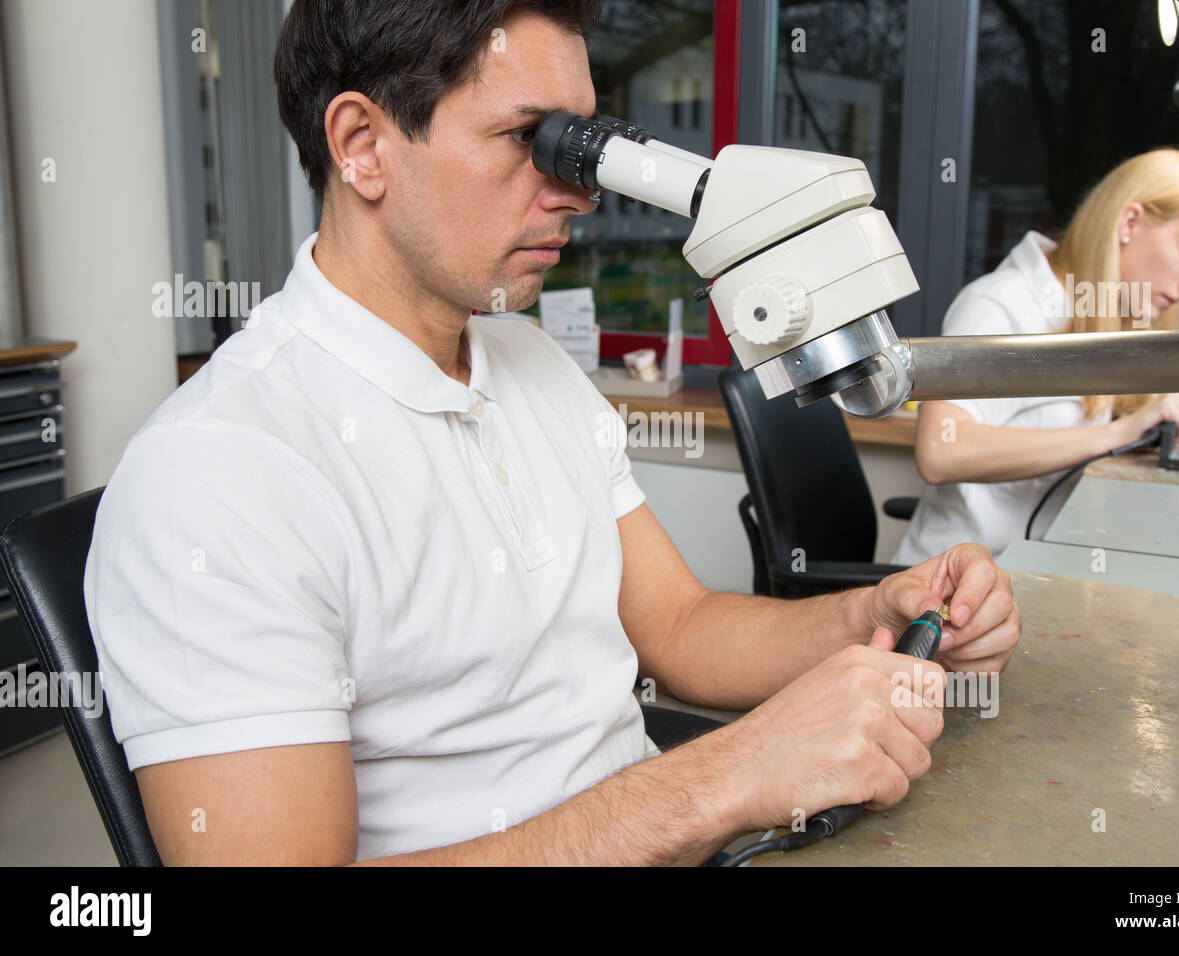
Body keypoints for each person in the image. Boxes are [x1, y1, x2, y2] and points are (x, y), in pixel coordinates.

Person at [85, 0, 1018, 866]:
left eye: (587, 147)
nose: (579, 192)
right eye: (531, 140)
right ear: (363, 145)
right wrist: (725, 777)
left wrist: (875, 615)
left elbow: (681, 628)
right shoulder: (215, 475)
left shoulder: (530, 367)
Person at [892, 149, 1179, 566]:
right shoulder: (1001, 305)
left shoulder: (1104, 312)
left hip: (1041, 572)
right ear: (1129, 222)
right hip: (949, 595)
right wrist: (1123, 433)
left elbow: (1130, 412)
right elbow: (941, 453)